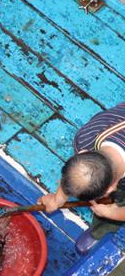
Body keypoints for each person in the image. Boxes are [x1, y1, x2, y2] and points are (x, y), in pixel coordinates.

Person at [38, 103, 125, 254]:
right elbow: (75, 172)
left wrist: (112, 213)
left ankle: (106, 225)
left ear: (110, 190)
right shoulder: (86, 137)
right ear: (82, 152)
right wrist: (57, 199)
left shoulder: (86, 141)